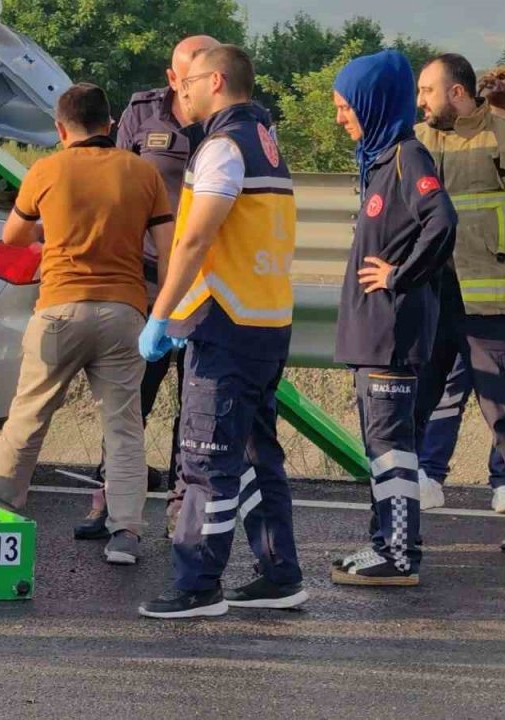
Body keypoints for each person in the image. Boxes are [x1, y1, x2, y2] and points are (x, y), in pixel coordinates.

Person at [136, 45, 306, 618]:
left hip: (225, 325)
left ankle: (196, 584)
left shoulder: (223, 145)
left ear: (215, 80)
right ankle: (280, 574)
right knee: (259, 455)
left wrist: (162, 311)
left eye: (185, 83)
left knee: (205, 458)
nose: (178, 93)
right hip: (265, 320)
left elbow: (195, 237)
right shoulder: (266, 140)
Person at [0, 83, 175, 566]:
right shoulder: (142, 172)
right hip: (124, 314)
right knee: (124, 426)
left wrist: (54, 225)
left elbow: (13, 236)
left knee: (28, 418)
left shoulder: (46, 170)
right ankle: (126, 533)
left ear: (59, 128)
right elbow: (170, 251)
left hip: (58, 313)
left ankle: (0, 518)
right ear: (110, 125)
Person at [74, 34, 221, 542]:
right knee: (132, 396)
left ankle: (182, 507)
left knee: (196, 404)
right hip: (150, 278)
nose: (198, 81)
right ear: (173, 76)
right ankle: (109, 497)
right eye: (189, 73)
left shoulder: (236, 119)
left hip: (207, 283)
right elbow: (113, 183)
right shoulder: (143, 113)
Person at [328, 51, 457, 586]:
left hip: (390, 333)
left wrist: (399, 275)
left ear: (372, 102)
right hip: (371, 334)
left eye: (345, 106)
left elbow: (442, 219)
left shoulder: (408, 156)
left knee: (391, 446)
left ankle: (400, 554)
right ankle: (383, 543)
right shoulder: (381, 160)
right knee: (379, 447)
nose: (340, 118)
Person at [415, 53, 505, 553]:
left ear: (456, 92)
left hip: (494, 304)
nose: (421, 101)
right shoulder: (417, 142)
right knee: (409, 411)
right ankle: (395, 520)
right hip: (428, 301)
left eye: (428, 91)